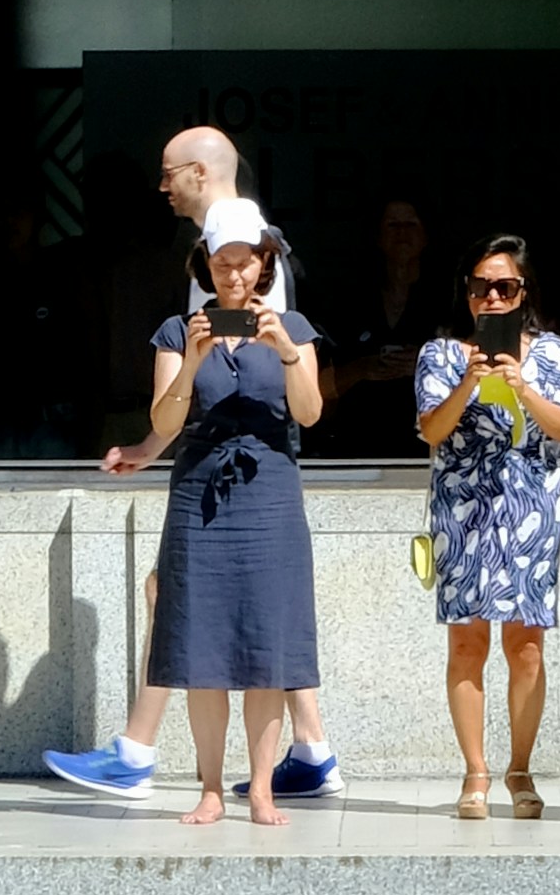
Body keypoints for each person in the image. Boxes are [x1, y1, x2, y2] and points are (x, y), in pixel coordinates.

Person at [48, 121, 343, 800]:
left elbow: (265, 387)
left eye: (170, 173)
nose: (163, 187)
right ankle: (309, 747)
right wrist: (153, 444)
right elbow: (198, 383)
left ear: (201, 174)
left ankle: (141, 749)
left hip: (253, 470)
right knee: (234, 604)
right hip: (218, 462)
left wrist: (277, 355)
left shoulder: (250, 248)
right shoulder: (210, 257)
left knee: (202, 599)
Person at [124, 202, 324, 827]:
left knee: (268, 647)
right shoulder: (178, 330)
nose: (234, 276)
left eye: (245, 263)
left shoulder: (293, 326)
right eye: (222, 264)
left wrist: (284, 349)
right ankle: (210, 787)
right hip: (199, 496)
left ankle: (261, 788)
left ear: (264, 263)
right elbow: (164, 422)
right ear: (205, 267)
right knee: (202, 648)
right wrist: (192, 359)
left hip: (270, 496)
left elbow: (310, 413)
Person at [416, 234, 560, 818]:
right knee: (467, 640)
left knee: (526, 643)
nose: (492, 298)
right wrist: (469, 381)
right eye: (481, 287)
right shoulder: (441, 354)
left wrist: (521, 386)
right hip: (464, 507)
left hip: (530, 505)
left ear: (523, 292)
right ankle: (475, 771)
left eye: (504, 287)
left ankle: (520, 768)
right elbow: (431, 431)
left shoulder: (552, 353)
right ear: (466, 293)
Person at [315, 198, 440, 460]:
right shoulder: (349, 301)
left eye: (411, 224)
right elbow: (317, 389)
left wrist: (425, 365)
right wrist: (363, 368)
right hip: (354, 449)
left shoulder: (446, 301)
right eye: (393, 225)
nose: (402, 233)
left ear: (426, 236)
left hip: (426, 450)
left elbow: (474, 378)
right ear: (378, 237)